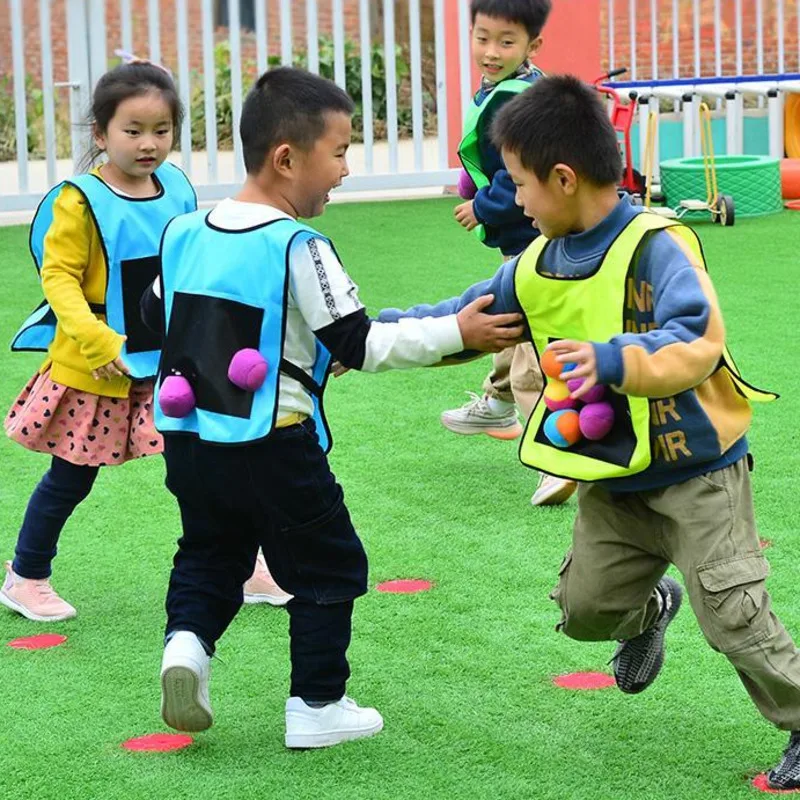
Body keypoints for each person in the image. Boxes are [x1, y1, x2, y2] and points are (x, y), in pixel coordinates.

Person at [380, 74, 800, 790]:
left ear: (564, 178)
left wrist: (610, 360)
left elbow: (694, 341)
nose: (513, 201)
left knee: (734, 614)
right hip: (611, 477)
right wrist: (356, 335)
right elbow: (462, 316)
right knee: (584, 611)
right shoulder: (536, 265)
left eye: (519, 184)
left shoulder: (658, 246)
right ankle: (649, 609)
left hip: (697, 472)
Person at [141, 67, 523, 749]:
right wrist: (455, 333)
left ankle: (187, 650)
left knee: (210, 550)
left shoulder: (185, 231)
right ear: (288, 158)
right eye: (340, 152)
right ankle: (317, 705)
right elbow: (360, 342)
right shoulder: (298, 245)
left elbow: (155, 313)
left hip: (193, 439)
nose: (346, 171)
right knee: (329, 565)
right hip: (275, 443)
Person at [1, 61, 196, 622]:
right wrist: (96, 340)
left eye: (161, 130)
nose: (148, 143)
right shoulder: (79, 199)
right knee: (70, 478)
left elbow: (188, 260)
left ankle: (239, 561)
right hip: (100, 365)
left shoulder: (178, 187)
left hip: (168, 359)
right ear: (101, 133)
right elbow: (58, 277)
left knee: (199, 466)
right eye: (132, 131)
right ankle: (26, 575)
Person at [443, 0, 575, 507]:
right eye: (483, 38)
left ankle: (556, 458)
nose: (491, 51)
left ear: (531, 46)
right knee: (505, 319)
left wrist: (482, 205)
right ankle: (496, 402)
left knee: (532, 365)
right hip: (531, 243)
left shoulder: (510, 100)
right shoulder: (523, 87)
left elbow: (515, 173)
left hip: (533, 242)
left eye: (505, 42)